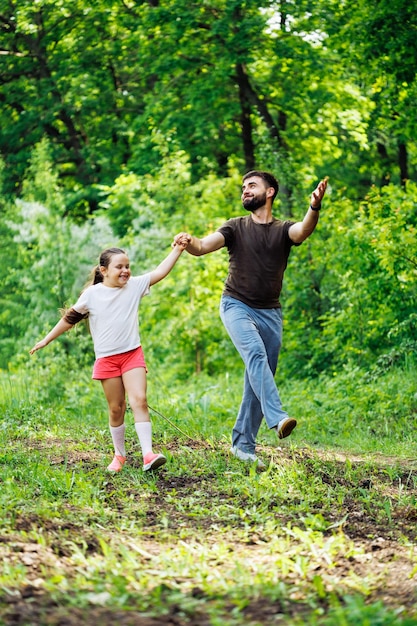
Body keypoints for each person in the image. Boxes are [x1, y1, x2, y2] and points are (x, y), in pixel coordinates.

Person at [174, 170, 328, 470]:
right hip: (236, 305)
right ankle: (278, 417)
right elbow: (203, 246)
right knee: (256, 356)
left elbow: (303, 231)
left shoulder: (283, 230)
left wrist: (314, 207)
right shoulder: (235, 227)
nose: (245, 190)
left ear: (269, 192)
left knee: (258, 376)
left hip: (271, 313)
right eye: (244, 187)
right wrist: (189, 241)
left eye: (252, 186)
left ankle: (243, 445)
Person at [30, 239, 190, 473]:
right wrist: (46, 339)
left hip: (132, 354)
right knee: (117, 408)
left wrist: (178, 249)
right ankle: (120, 455)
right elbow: (69, 319)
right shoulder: (92, 295)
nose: (125, 270)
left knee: (139, 400)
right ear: (103, 271)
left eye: (127, 266)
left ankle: (148, 454)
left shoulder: (134, 286)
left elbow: (160, 271)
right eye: (119, 267)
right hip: (107, 360)